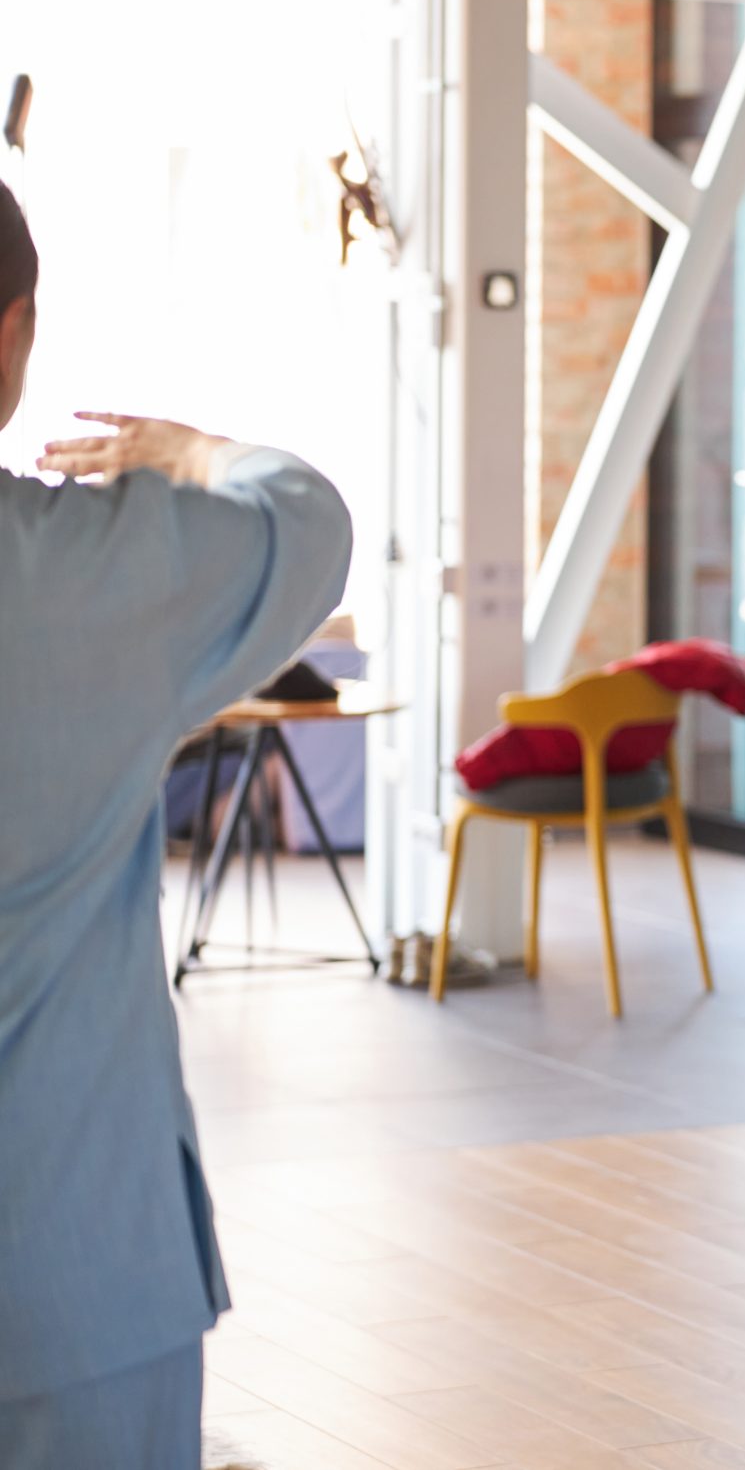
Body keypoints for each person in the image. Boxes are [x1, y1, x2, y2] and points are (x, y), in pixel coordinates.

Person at [0, 179, 353, 1468]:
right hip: (76, 1268)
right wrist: (194, 453)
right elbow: (306, 522)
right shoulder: (89, 572)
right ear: (16, 332)